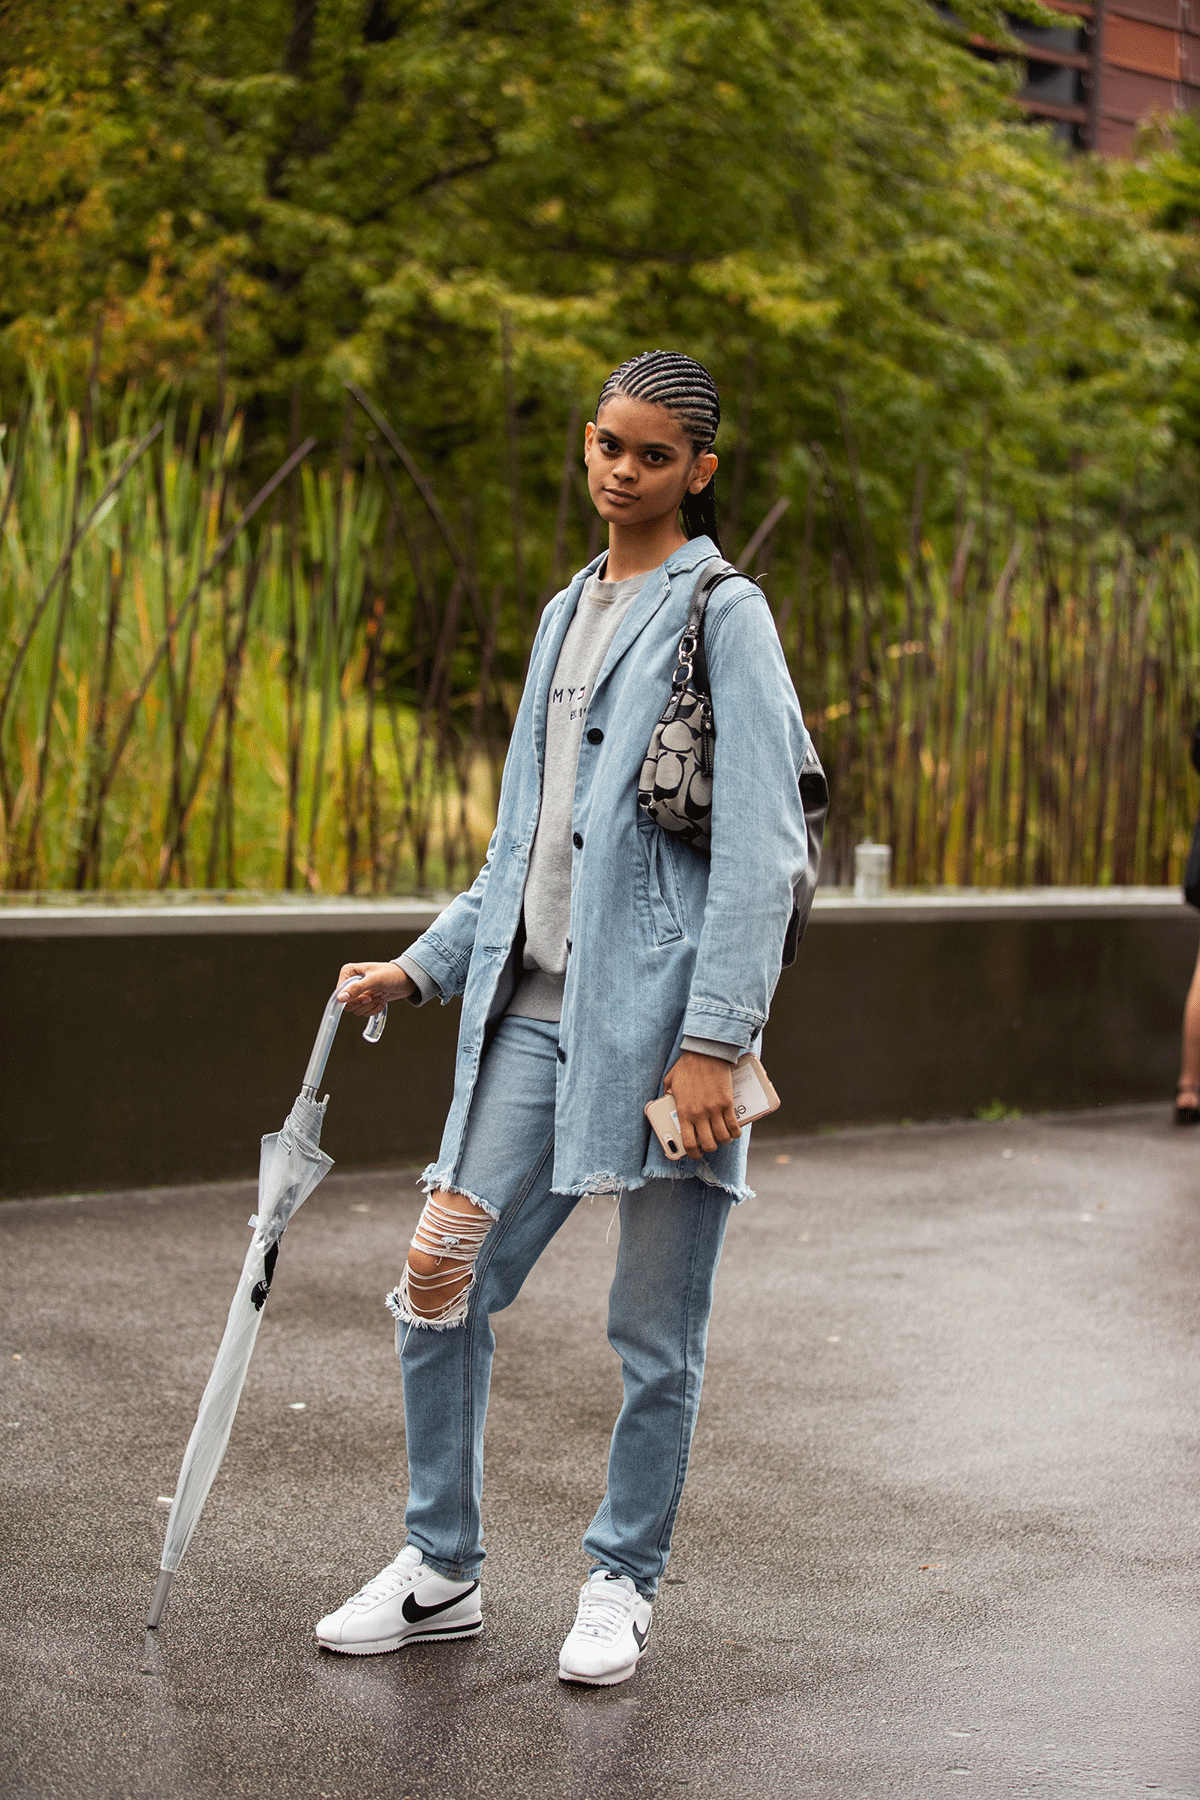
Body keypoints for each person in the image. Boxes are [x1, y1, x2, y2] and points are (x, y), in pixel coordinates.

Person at [314, 350, 813, 1686]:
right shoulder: (559, 615)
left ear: (698, 471)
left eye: (652, 454)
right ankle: (441, 1564)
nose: (620, 469)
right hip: (533, 1013)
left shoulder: (728, 614)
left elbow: (765, 852)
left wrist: (716, 1037)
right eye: (607, 444)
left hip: (670, 1039)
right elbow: (518, 846)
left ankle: (619, 1580)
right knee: (440, 1273)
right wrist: (419, 968)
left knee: (656, 1332)